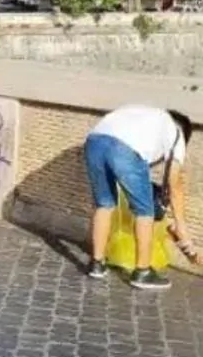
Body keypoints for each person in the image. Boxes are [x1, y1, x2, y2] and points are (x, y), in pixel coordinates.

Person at [84, 105, 200, 289]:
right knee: (145, 211)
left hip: (93, 142)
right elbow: (175, 184)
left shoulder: (148, 116)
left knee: (104, 205)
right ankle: (142, 272)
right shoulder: (177, 135)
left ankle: (97, 264)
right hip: (123, 149)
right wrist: (181, 226)